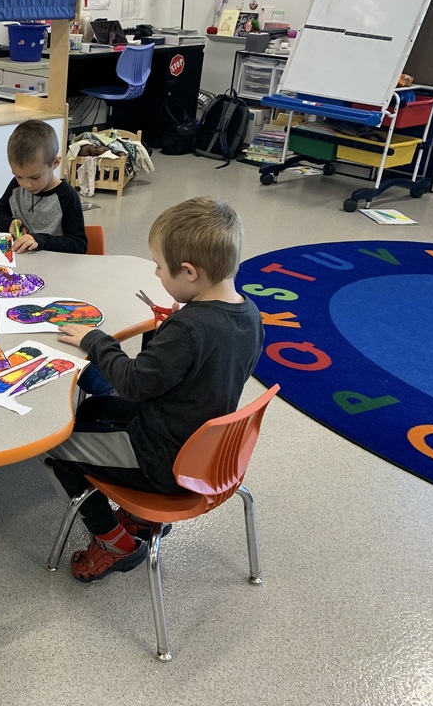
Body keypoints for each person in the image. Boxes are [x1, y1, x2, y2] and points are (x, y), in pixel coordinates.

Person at [44, 197, 264, 582]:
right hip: (204, 448)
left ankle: (114, 542)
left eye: (160, 267)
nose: (157, 275)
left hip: (162, 459)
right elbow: (206, 368)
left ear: (189, 272)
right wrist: (170, 336)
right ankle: (139, 519)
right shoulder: (248, 313)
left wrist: (97, 341)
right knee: (93, 411)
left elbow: (131, 383)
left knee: (55, 444)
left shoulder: (190, 329)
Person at [0, 119, 87, 255]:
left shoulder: (67, 196)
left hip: (54, 267)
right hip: (21, 265)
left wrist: (40, 240)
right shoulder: (16, 186)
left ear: (55, 163)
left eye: (35, 177)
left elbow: (78, 245)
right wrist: (9, 224)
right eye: (18, 176)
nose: (26, 184)